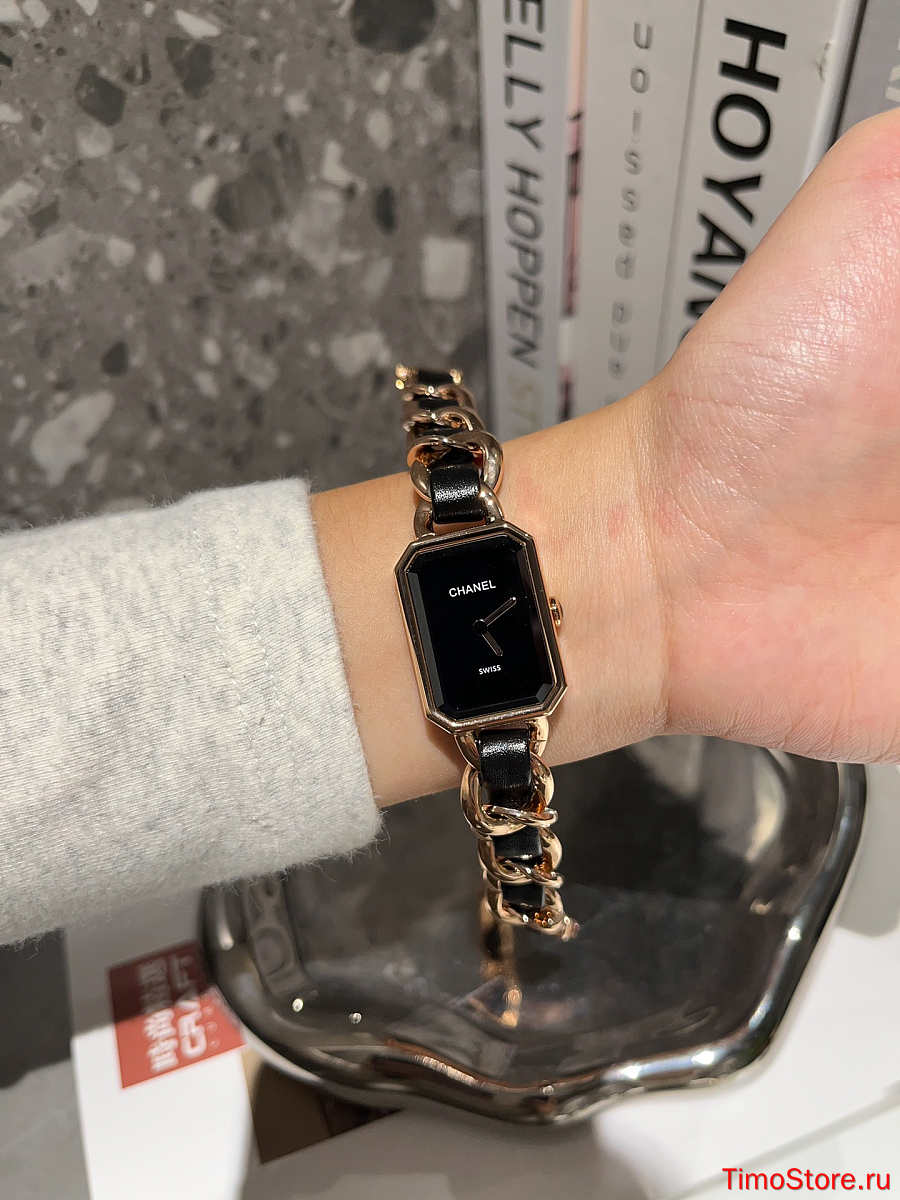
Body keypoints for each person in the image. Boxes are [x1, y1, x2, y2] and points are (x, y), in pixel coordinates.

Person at [2, 110, 899, 947]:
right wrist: (648, 544)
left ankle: (529, 898)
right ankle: (529, 898)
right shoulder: (486, 650)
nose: (545, 608)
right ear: (541, 605)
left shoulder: (486, 625)